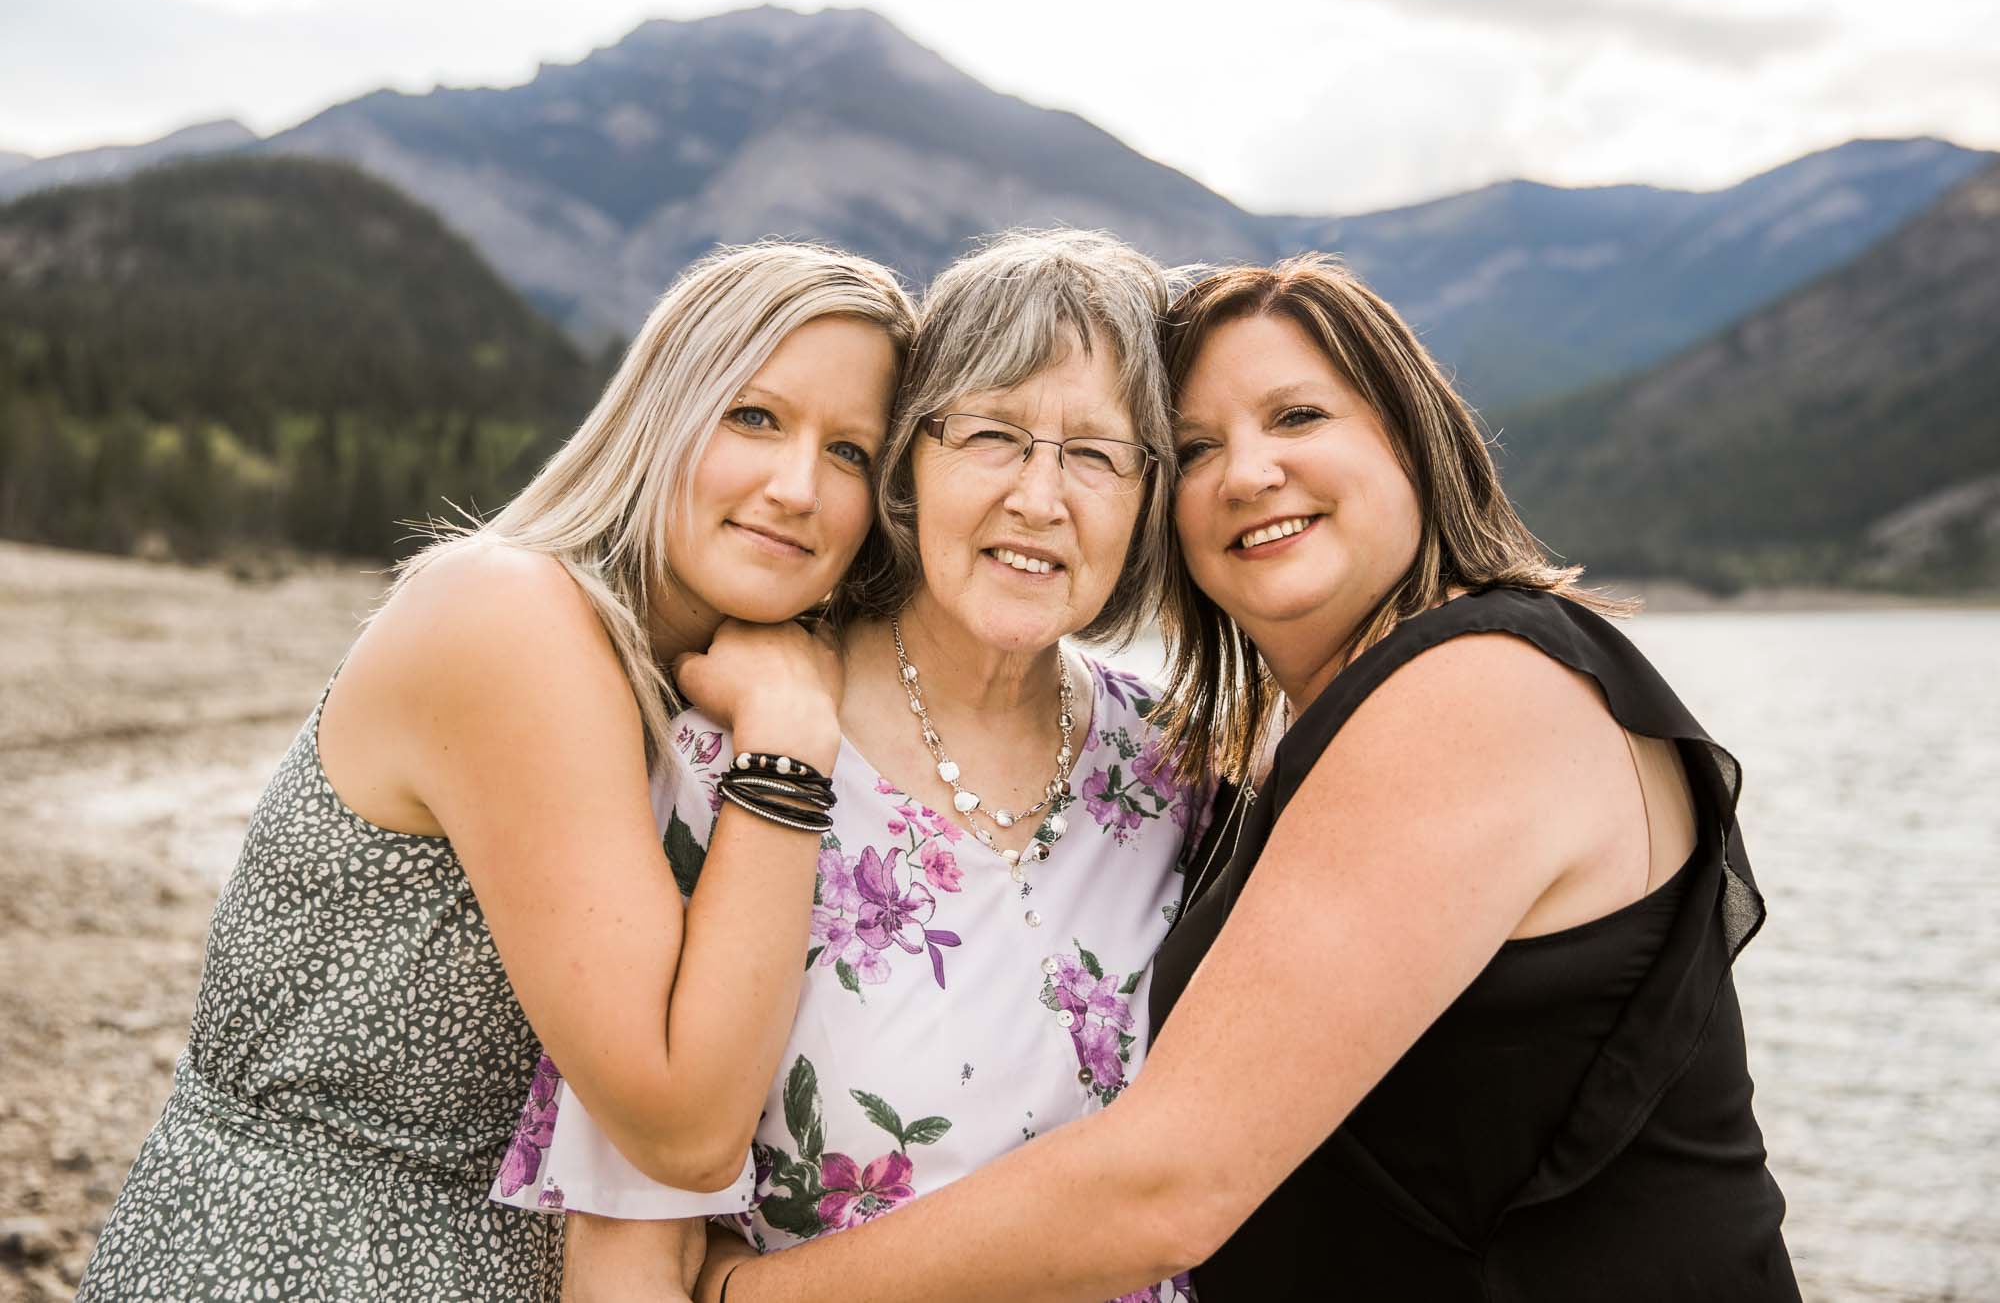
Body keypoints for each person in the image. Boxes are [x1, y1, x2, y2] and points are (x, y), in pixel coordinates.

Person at [695, 255, 1800, 1302]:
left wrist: (742, 1293)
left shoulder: (1474, 693)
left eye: (1296, 417)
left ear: (1412, 439)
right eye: (1196, 447)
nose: (1249, 472)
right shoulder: (1267, 754)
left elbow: (1170, 1181)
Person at [76, 242, 916, 1301]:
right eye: (752, 417)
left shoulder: (675, 675)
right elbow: (686, 1128)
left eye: (850, 453)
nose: (796, 487)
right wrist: (789, 746)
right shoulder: (512, 614)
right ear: (657, 410)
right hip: (300, 1262)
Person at [492, 230, 1202, 1303]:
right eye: (993, 435)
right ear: (906, 467)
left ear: (1148, 497)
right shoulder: (730, 761)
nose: (1039, 498)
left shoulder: (1178, 770)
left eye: (1096, 454)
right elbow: (627, 1259)